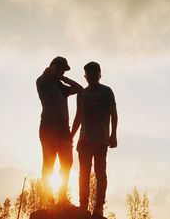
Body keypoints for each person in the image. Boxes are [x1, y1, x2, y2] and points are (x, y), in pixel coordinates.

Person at [71, 61, 118, 218]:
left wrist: (113, 134)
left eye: (94, 73)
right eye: (88, 73)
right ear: (85, 76)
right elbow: (78, 116)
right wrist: (71, 135)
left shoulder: (106, 91)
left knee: (100, 173)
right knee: (83, 174)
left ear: (99, 74)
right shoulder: (81, 94)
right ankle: (83, 205)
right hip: (84, 141)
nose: (91, 76)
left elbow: (114, 114)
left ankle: (99, 207)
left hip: (100, 141)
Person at [36, 56, 83, 206]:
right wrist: (53, 71)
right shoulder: (43, 81)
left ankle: (62, 197)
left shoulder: (61, 86)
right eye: (60, 68)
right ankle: (50, 199)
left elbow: (79, 88)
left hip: (64, 129)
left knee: (67, 162)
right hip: (48, 128)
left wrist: (65, 79)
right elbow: (46, 74)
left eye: (64, 69)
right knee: (49, 163)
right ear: (53, 67)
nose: (62, 71)